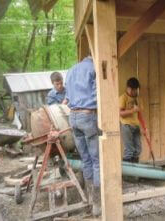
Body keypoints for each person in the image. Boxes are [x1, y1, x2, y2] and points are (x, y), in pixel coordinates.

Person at [64, 56, 100, 216]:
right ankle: (98, 204)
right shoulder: (93, 69)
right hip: (87, 115)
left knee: (85, 159)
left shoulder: (71, 70)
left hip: (73, 117)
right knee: (96, 161)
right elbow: (98, 93)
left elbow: (68, 95)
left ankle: (90, 199)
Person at [119, 77, 142, 163]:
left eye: (136, 90)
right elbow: (120, 114)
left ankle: (135, 173)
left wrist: (144, 128)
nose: (134, 92)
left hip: (136, 126)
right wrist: (132, 110)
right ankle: (128, 175)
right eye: (132, 89)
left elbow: (140, 115)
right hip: (126, 126)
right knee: (129, 151)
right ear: (128, 88)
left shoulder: (137, 99)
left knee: (138, 150)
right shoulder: (123, 98)